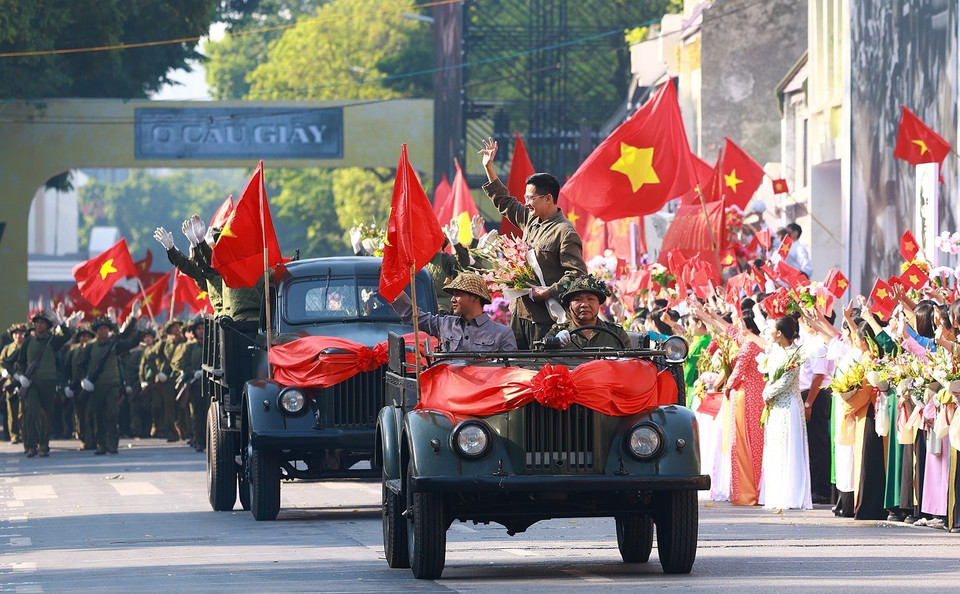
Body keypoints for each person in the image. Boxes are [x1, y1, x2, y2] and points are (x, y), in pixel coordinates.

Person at [478, 137, 587, 349]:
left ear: (548, 199)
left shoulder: (565, 232)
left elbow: (576, 274)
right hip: (520, 312)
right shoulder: (531, 219)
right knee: (514, 365)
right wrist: (488, 168)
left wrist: (549, 291)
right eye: (526, 198)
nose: (526, 203)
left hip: (545, 317)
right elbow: (505, 201)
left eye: (531, 198)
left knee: (538, 367)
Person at [757, 315, 813, 510]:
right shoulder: (775, 351)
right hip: (775, 406)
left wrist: (766, 392)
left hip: (788, 405)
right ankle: (775, 492)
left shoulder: (794, 354)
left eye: (771, 328)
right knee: (774, 447)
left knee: (787, 446)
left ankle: (790, 494)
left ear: (779, 333)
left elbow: (786, 380)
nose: (768, 331)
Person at [390, 272, 517, 352]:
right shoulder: (445, 324)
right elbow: (414, 316)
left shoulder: (503, 334)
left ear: (476, 297)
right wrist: (393, 287)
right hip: (448, 392)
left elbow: (509, 373)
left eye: (458, 294)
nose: (452, 299)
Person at [11, 310, 78, 457]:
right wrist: (22, 376)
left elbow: (68, 336)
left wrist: (60, 322)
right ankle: (30, 445)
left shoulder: (52, 341)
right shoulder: (28, 341)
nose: (39, 325)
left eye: (42, 323)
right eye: (37, 322)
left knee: (46, 415)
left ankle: (43, 445)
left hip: (48, 383)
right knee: (32, 413)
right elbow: (21, 362)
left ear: (47, 326)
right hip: (32, 383)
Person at [76, 311, 142, 455]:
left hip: (112, 385)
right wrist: (84, 380)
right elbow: (80, 364)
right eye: (100, 329)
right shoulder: (90, 347)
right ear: (96, 331)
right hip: (96, 386)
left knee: (112, 414)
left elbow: (130, 342)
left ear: (109, 330)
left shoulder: (114, 345)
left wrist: (139, 329)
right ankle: (101, 445)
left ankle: (112, 444)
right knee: (98, 416)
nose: (103, 331)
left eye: (105, 328)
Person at [543, 275, 630, 350]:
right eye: (577, 300)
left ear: (599, 305)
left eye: (590, 299)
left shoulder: (616, 334)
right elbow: (538, 355)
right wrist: (553, 343)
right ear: (569, 307)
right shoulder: (557, 332)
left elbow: (631, 362)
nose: (584, 304)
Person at [0, 323, 28, 444]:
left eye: (21, 333)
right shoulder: (7, 349)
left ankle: (24, 433)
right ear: (12, 335)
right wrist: (3, 372)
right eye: (16, 333)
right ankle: (14, 435)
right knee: (11, 410)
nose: (19, 336)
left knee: (23, 410)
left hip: (23, 381)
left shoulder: (27, 347)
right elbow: (1, 363)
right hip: (11, 382)